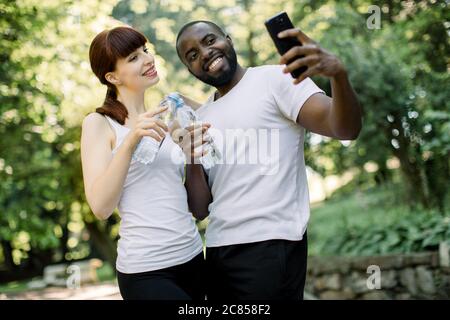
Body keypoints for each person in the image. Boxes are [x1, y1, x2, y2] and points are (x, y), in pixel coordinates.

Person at [175, 20, 362, 300]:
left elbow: (345, 128)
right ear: (190, 69)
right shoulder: (202, 117)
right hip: (217, 251)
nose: (204, 53)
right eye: (192, 55)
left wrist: (339, 75)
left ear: (228, 39)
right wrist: (190, 158)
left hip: (271, 245)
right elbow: (200, 209)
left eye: (210, 40)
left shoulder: (276, 79)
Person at [81, 26, 210, 300]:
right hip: (146, 271)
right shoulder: (99, 124)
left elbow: (192, 203)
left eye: (145, 51)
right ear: (112, 76)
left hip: (193, 256)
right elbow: (101, 207)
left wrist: (191, 157)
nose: (147, 59)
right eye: (133, 57)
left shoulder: (168, 118)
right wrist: (130, 141)